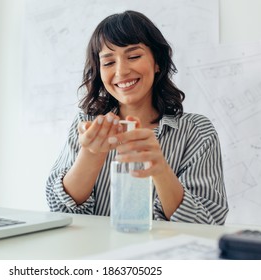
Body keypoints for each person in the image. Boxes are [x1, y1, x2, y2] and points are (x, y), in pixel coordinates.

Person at [45, 10, 228, 225]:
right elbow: (59, 208)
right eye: (108, 62)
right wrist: (91, 155)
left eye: (133, 56)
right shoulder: (87, 123)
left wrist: (159, 168)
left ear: (157, 62)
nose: (121, 71)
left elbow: (208, 222)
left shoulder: (196, 131)